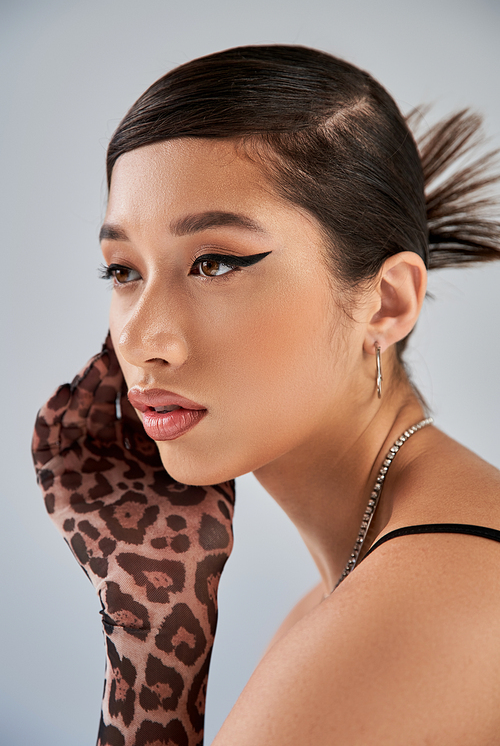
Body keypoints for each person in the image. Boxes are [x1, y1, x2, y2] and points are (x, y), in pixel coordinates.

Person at [32, 44, 500, 746]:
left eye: (214, 263)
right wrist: (150, 627)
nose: (144, 340)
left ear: (387, 302)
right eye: (123, 270)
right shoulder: (374, 572)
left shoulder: (416, 609)